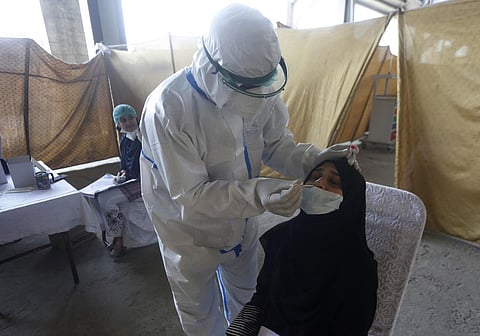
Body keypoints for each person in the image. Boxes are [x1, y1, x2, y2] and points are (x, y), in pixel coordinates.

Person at [139, 4, 358, 335]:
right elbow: (192, 194)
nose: (258, 95)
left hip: (242, 219)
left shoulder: (262, 85)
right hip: (188, 230)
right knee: (199, 309)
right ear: (215, 70)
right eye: (246, 85)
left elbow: (275, 145)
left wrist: (314, 158)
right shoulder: (169, 110)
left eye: (264, 82)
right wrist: (261, 193)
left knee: (250, 296)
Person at [226, 158, 378, 336]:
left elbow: (352, 329)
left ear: (352, 200)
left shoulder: (359, 266)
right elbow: (262, 298)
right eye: (314, 177)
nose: (319, 184)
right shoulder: (281, 237)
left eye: (334, 182)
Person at [96, 104, 156, 258]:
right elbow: (125, 165)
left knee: (107, 201)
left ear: (137, 118)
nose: (128, 122)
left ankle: (118, 239)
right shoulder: (124, 139)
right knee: (100, 197)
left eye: (130, 118)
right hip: (131, 181)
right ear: (118, 124)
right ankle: (115, 235)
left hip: (146, 181)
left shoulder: (145, 137)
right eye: (123, 120)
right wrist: (121, 174)